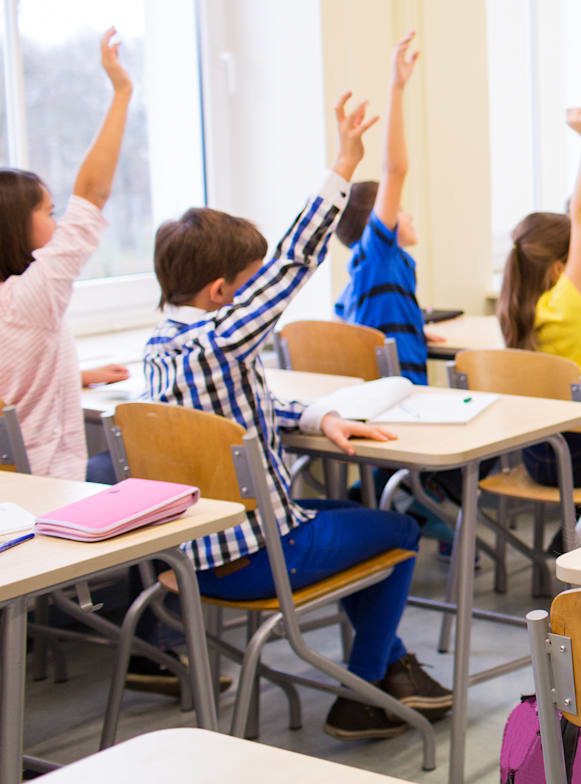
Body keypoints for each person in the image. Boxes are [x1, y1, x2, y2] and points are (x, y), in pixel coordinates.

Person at [144, 92, 450, 740]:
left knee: (353, 520)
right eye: (249, 286)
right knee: (397, 531)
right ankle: (364, 690)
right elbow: (293, 262)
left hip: (193, 556)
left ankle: (388, 667)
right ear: (224, 293)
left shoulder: (163, 349)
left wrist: (317, 417)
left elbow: (237, 408)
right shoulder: (220, 339)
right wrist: (343, 162)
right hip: (258, 554)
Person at [0, 29, 131, 481]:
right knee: (153, 462)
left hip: (15, 489)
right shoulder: (30, 297)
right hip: (51, 486)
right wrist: (121, 92)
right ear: (16, 224)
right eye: (48, 212)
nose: (58, 224)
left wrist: (76, 376)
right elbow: (92, 194)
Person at [497, 109, 581, 489]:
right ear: (558, 268)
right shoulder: (565, 303)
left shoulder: (515, 310)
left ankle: (571, 531)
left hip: (537, 456)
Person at [332, 32, 434, 386]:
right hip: (401, 399)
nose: (408, 216)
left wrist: (415, 329)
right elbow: (396, 170)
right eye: (401, 210)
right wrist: (397, 87)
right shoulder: (378, 258)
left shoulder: (365, 274)